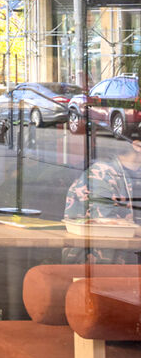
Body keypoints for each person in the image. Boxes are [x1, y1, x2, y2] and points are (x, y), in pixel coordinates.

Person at [63, 111, 141, 261]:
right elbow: (107, 222)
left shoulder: (133, 174)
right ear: (137, 145)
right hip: (97, 264)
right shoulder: (101, 174)